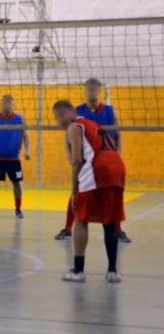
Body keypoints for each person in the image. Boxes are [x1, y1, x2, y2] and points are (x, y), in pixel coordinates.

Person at [53, 100, 125, 283]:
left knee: (81, 219)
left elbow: (77, 160)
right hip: (117, 167)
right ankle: (113, 271)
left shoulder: (74, 126)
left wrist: (74, 190)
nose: (58, 121)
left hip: (97, 170)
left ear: (69, 112)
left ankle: (78, 271)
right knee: (110, 221)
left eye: (59, 116)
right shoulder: (93, 123)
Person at [55, 77, 131, 243]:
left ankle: (118, 230)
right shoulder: (77, 111)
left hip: (105, 162)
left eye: (94, 88)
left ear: (99, 90)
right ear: (84, 90)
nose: (91, 91)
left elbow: (119, 135)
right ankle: (68, 228)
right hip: (85, 162)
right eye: (88, 88)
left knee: (112, 195)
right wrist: (71, 158)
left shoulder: (110, 111)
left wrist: (117, 155)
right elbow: (67, 137)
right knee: (76, 193)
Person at [0, 95, 31, 219]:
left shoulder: (19, 119)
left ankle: (18, 209)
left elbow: (26, 135)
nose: (7, 105)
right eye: (5, 103)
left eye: (10, 103)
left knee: (17, 183)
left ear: (13, 105)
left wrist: (27, 151)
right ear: (1, 104)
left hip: (13, 159)